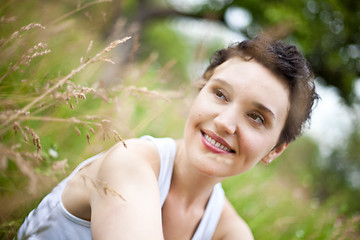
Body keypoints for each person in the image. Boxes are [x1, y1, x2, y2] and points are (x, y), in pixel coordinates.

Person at [17, 36, 319, 240]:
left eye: (256, 117)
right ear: (200, 90)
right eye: (220, 94)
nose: (226, 123)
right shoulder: (131, 164)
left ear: (276, 150)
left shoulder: (229, 231)